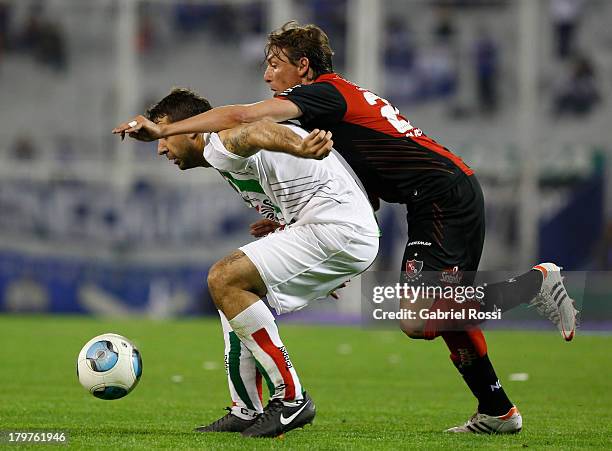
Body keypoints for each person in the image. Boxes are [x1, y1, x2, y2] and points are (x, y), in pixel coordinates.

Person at [113, 22, 578, 434]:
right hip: (427, 197)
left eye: (275, 65)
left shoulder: (327, 94)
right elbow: (354, 179)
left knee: (418, 317)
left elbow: (244, 121)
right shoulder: (329, 108)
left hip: (443, 195)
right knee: (442, 314)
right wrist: (302, 235)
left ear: (303, 66)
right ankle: (497, 410)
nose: (268, 76)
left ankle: (534, 284)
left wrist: (163, 128)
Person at [132, 88, 380, 438]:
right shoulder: (223, 155)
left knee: (224, 277)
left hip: (337, 229)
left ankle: (292, 399)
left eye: (166, 133)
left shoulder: (218, 141)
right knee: (234, 293)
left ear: (190, 129)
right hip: (335, 228)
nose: (161, 147)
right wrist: (284, 223)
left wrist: (299, 147)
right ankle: (246, 408)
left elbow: (257, 130)